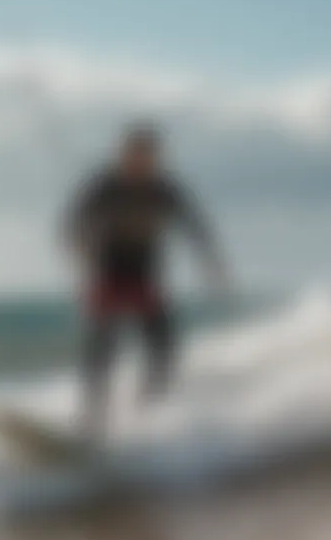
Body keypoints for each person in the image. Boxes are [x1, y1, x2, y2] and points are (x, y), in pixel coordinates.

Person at [63, 123, 226, 442]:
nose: (141, 161)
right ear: (123, 155)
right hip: (108, 271)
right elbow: (75, 219)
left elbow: (196, 226)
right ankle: (91, 419)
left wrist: (211, 263)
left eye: (149, 156)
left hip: (145, 273)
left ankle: (148, 413)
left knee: (163, 345)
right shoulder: (105, 185)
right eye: (135, 155)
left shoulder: (166, 190)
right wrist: (78, 243)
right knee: (101, 347)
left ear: (156, 158)